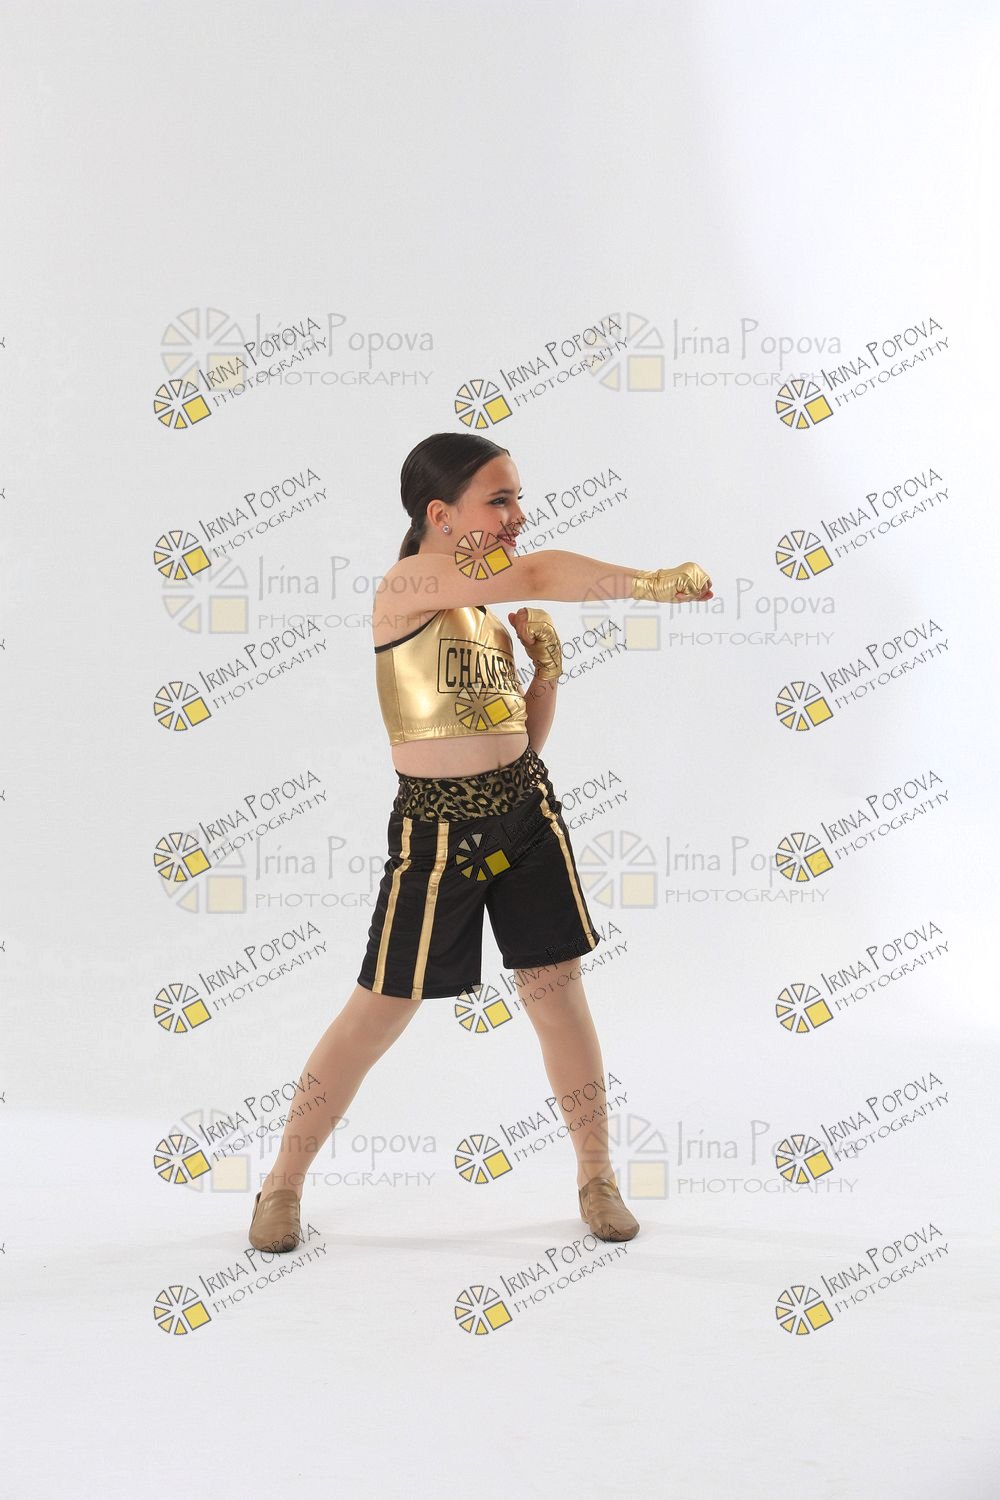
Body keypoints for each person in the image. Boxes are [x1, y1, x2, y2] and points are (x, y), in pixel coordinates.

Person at [247, 431, 712, 1253]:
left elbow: (521, 741)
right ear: (440, 514)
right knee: (382, 1007)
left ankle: (596, 1176)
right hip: (439, 832)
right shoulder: (408, 585)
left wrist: (546, 674)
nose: (517, 516)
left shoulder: (487, 620)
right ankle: (281, 1183)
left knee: (556, 993)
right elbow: (535, 573)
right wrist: (647, 583)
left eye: (517, 499)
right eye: (499, 500)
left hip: (526, 817)